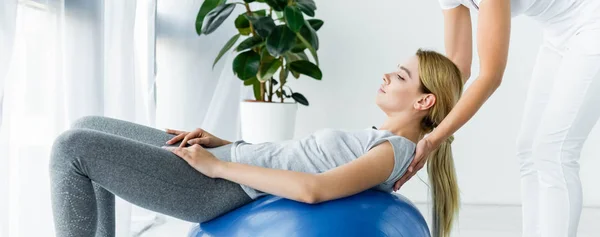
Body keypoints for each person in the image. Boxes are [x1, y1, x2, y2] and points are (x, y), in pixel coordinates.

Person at [49, 49, 463, 237]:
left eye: (402, 76)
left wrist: (218, 166)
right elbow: (296, 160)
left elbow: (313, 190)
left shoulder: (394, 151)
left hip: (216, 186)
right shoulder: (381, 138)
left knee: (73, 148)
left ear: (424, 101)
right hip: (221, 160)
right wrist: (224, 145)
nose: (388, 77)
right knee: (88, 125)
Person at [393, 1, 600, 236]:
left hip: (593, 24)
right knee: (528, 150)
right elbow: (458, 68)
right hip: (557, 34)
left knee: (554, 151)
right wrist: (417, 125)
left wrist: (433, 140)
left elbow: (490, 76)